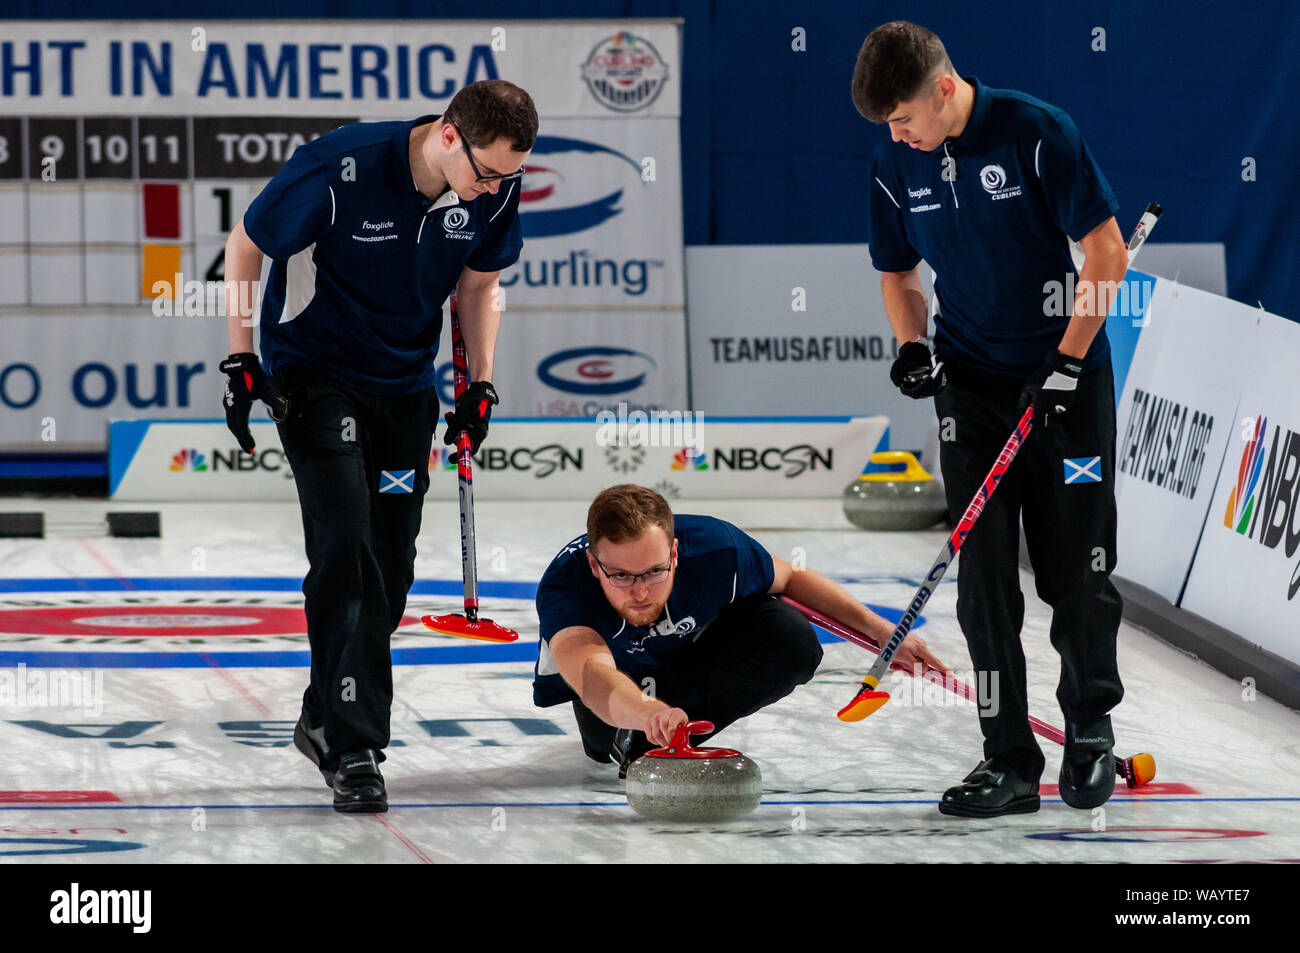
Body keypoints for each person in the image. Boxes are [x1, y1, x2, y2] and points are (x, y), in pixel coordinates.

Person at [220, 80, 538, 813]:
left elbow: (479, 284)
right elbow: (245, 245)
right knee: (346, 546)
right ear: (450, 136)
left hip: (404, 385)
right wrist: (240, 360)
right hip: (315, 373)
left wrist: (479, 384)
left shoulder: (494, 186)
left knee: (389, 564)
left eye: (508, 176)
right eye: (486, 171)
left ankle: (323, 708)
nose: (494, 187)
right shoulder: (343, 164)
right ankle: (354, 744)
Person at [853, 21, 1131, 817]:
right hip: (970, 383)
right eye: (886, 126)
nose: (897, 135)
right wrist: (912, 344)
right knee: (980, 583)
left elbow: (1105, 253)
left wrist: (1069, 363)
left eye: (904, 117)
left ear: (944, 87)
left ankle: (1089, 728)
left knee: (1076, 568)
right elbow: (899, 270)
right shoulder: (892, 161)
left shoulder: (1036, 132)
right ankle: (1008, 756)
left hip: (1063, 376)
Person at [532, 484, 948, 774]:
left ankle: (667, 732)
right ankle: (640, 734)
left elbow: (791, 578)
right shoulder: (566, 588)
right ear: (593, 565)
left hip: (690, 656)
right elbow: (594, 678)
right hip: (619, 686)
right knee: (604, 744)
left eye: (655, 571)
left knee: (790, 638)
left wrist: (882, 632)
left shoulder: (718, 549)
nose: (640, 591)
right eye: (621, 575)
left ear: (676, 553)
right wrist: (647, 713)